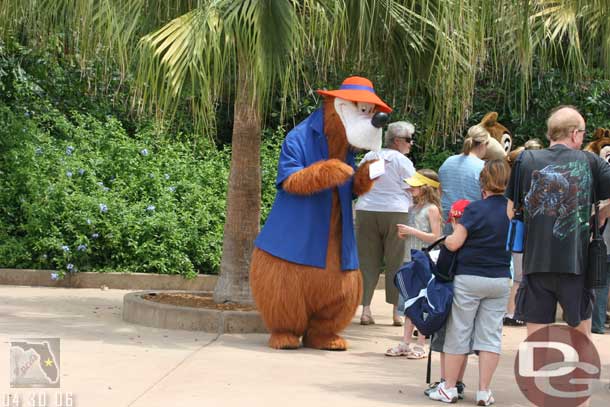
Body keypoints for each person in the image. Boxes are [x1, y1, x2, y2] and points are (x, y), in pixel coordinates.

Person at [506, 105, 610, 341]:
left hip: (536, 262)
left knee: (536, 337)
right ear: (575, 133)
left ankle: (538, 377)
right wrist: (601, 215)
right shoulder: (591, 161)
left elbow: (511, 212)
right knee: (580, 336)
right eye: (583, 133)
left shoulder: (525, 160)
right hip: (576, 264)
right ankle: (579, 377)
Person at [429, 160, 512, 405]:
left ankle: (449, 388)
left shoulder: (475, 209)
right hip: (499, 278)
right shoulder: (512, 210)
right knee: (490, 336)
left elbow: (454, 243)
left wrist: (446, 238)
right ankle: (484, 391)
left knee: (459, 332)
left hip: (470, 277)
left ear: (482, 182)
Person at [355, 121, 416, 326]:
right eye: (409, 140)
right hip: (395, 212)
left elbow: (359, 181)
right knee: (396, 262)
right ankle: (395, 312)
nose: (411, 143)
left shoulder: (370, 156)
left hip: (366, 210)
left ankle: (365, 309)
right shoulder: (402, 161)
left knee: (367, 261)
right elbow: (413, 188)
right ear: (397, 141)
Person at [385, 169, 442, 359]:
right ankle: (405, 342)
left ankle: (421, 343)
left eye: (415, 186)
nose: (411, 189)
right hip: (410, 258)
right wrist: (405, 234)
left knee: (423, 301)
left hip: (425, 259)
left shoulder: (432, 209)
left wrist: (411, 231)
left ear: (425, 188)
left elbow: (436, 236)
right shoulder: (413, 208)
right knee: (410, 301)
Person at [424, 199, 470, 400]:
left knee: (445, 344)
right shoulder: (475, 245)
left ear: (452, 219)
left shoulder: (450, 243)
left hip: (448, 298)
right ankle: (458, 382)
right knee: (463, 344)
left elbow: (441, 272)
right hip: (469, 298)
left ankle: (445, 381)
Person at [504, 138, 543, 327]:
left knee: (519, 274)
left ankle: (513, 311)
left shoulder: (517, 176)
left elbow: (509, 211)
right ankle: (516, 311)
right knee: (524, 275)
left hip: (520, 227)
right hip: (533, 231)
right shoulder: (542, 176)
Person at [438, 124, 489, 235]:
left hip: (447, 219)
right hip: (471, 220)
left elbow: (440, 191)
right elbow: (487, 198)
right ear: (484, 144)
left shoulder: (448, 161)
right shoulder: (483, 167)